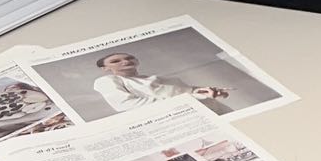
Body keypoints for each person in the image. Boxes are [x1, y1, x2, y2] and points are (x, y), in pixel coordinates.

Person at [93, 50, 231, 113]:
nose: (125, 61)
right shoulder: (107, 81)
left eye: (129, 58)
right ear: (105, 68)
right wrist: (194, 98)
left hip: (214, 109)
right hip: (181, 116)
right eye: (115, 61)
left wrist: (207, 91)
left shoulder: (160, 78)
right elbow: (127, 104)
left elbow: (187, 90)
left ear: (137, 61)